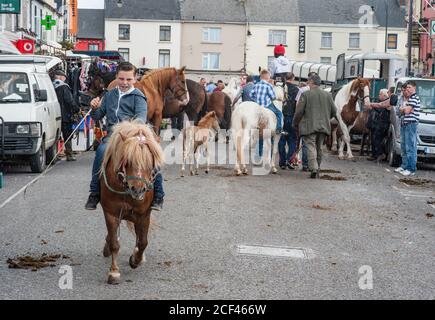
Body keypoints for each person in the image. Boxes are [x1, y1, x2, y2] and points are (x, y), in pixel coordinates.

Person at [85, 62, 165, 211]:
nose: (124, 83)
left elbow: (140, 121)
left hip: (134, 136)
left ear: (135, 79)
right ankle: (94, 192)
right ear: (116, 77)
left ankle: (159, 194)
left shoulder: (138, 97)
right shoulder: (110, 95)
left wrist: (126, 133)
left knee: (154, 153)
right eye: (121, 79)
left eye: (129, 79)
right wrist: (94, 107)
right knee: (101, 151)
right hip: (112, 137)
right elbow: (97, 116)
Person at [293, 74, 337, 179]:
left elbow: (299, 112)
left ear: (311, 82)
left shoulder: (306, 95)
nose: (308, 83)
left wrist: (295, 122)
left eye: (309, 82)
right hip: (324, 126)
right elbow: (334, 111)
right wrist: (326, 117)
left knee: (311, 147)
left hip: (309, 126)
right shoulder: (328, 95)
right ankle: (317, 167)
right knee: (319, 148)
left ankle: (313, 168)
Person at [53, 69, 81, 161]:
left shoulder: (51, 86)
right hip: (65, 115)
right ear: (61, 77)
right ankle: (69, 154)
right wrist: (77, 109)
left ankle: (54, 155)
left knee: (55, 135)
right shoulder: (64, 87)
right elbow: (70, 101)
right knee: (67, 135)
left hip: (53, 116)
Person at [395, 80, 421, 177]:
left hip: (411, 124)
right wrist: (403, 109)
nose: (407, 89)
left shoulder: (414, 98)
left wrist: (403, 109)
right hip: (405, 124)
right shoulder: (410, 99)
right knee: (404, 147)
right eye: (407, 88)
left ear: (414, 88)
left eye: (409, 87)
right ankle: (405, 166)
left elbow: (406, 111)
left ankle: (411, 169)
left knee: (410, 147)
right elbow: (400, 111)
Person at [250, 69, 283, 134]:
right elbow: (273, 97)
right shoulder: (269, 86)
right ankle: (278, 129)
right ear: (267, 78)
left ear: (261, 77)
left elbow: (251, 95)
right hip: (267, 105)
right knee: (279, 113)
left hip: (257, 105)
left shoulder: (256, 85)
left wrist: (256, 100)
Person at [278, 72, 299, 170]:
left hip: (281, 117)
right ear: (293, 78)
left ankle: (282, 162)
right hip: (292, 118)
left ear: (285, 78)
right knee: (292, 140)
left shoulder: (280, 89)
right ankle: (289, 160)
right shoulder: (297, 90)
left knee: (281, 140)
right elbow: (298, 105)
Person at [367, 89, 394, 163]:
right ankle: (378, 155)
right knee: (376, 138)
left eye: (388, 92)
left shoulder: (390, 100)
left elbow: (380, 105)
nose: (387, 94)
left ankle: (381, 154)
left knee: (377, 138)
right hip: (382, 123)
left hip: (384, 124)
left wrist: (371, 104)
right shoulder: (390, 100)